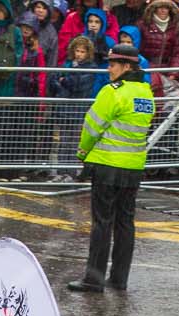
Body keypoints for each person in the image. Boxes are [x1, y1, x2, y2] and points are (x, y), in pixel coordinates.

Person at [66, 42, 151, 294]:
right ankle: (119, 279)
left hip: (107, 165)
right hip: (133, 167)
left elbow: (92, 126)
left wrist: (82, 152)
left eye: (113, 64)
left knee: (102, 223)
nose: (108, 69)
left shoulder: (112, 92)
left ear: (126, 66)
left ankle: (94, 279)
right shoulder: (145, 93)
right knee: (125, 223)